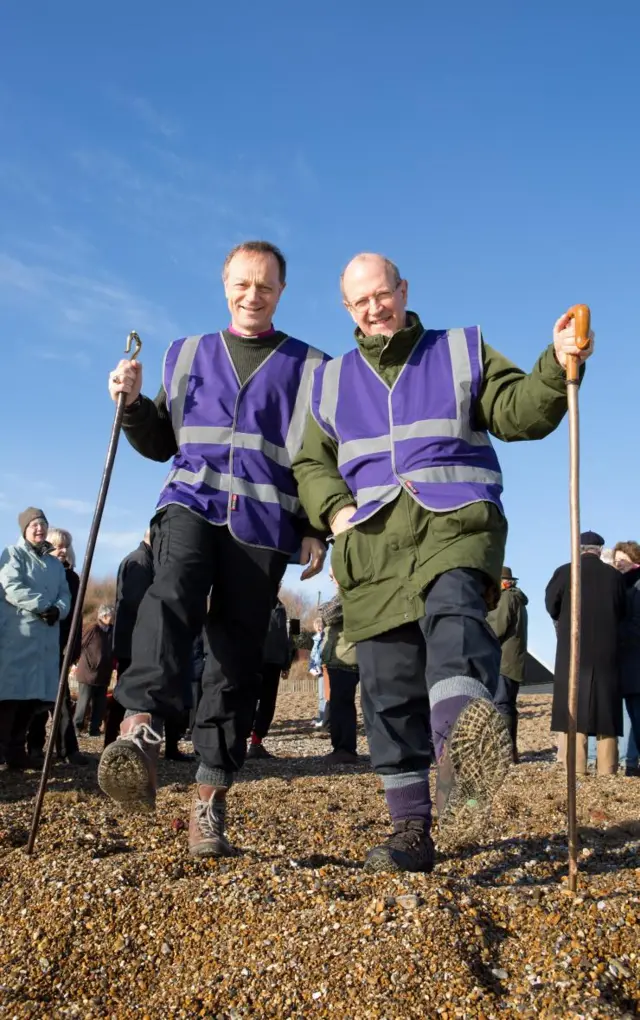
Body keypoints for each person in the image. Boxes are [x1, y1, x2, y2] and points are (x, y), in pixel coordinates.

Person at [293, 251, 594, 874]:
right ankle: (411, 831)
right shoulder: (327, 381)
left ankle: (465, 751)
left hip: (452, 522)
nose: (376, 308)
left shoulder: (460, 349)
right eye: (361, 301)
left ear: (403, 289)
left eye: (384, 293)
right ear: (347, 309)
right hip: (370, 547)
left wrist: (555, 360)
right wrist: (333, 510)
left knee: (455, 616)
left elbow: (518, 411)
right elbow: (309, 462)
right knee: (387, 685)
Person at [98, 240, 328, 858]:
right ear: (225, 284)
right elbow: (160, 440)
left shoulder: (312, 366)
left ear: (282, 292)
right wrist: (132, 405)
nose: (253, 295)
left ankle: (209, 802)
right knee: (169, 594)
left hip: (263, 522)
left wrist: (315, 526)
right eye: (242, 283)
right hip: (190, 502)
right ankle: (140, 725)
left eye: (266, 286)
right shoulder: (186, 353)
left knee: (234, 652)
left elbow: (317, 457)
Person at [546, 531, 626, 775]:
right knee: (607, 711)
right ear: (600, 550)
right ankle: (607, 770)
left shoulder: (565, 571)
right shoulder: (614, 576)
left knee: (574, 707)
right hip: (607, 651)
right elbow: (623, 609)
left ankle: (576, 768)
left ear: (578, 549)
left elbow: (551, 604)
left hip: (573, 650)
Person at [0, 508, 71, 768]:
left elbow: (65, 593)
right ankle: (2, 749)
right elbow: (12, 586)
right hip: (18, 635)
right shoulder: (13, 554)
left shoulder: (54, 563)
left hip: (45, 639)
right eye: (34, 525)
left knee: (32, 700)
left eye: (43, 524)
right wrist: (43, 606)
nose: (39, 529)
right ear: (24, 529)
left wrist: (58, 610)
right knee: (10, 698)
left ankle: (17, 752)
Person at [27, 527, 87, 765]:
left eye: (65, 545)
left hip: (63, 645)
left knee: (60, 699)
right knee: (38, 699)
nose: (62, 550)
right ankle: (35, 747)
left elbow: (77, 616)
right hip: (41, 644)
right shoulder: (40, 574)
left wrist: (74, 648)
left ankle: (67, 749)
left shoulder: (72, 578)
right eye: (57, 545)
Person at [105, 533, 154, 747]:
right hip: (133, 641)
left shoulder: (141, 559)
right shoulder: (140, 562)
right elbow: (137, 602)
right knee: (127, 693)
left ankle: (120, 740)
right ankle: (115, 741)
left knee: (126, 692)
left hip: (132, 639)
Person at [486, 566, 528, 761]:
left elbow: (497, 628)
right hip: (510, 661)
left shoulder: (506, 598)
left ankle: (504, 753)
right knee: (506, 704)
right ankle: (509, 752)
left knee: (502, 704)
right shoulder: (516, 598)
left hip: (503, 661)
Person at [319, 573, 360, 764]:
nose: (331, 579)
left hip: (346, 657)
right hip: (342, 657)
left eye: (332, 574)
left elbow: (327, 614)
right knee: (339, 704)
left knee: (341, 705)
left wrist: (323, 609)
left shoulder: (349, 592)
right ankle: (343, 748)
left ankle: (345, 749)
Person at [247, 594, 293, 760]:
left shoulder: (279, 606)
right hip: (259, 659)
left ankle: (255, 742)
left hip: (268, 660)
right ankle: (247, 741)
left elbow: (285, 637)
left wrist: (286, 663)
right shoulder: (263, 602)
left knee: (263, 702)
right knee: (254, 701)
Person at [613, 540, 640, 774]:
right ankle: (629, 761)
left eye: (623, 560)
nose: (618, 564)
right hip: (626, 661)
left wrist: (616, 630)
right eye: (616, 561)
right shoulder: (621, 586)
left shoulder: (636, 585)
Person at [75, 605, 114, 736]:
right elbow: (80, 645)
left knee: (100, 704)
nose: (111, 618)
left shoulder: (111, 631)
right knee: (83, 703)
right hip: (88, 672)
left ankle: (95, 729)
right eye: (109, 615)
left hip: (103, 674)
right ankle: (77, 727)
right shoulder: (92, 628)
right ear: (102, 616)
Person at [308, 616, 327, 728]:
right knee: (321, 696)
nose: (318, 628)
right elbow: (314, 654)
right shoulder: (316, 639)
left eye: (320, 626)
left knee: (324, 695)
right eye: (317, 626)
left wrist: (318, 666)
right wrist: (312, 666)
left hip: (323, 669)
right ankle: (321, 718)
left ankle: (324, 719)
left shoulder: (323, 639)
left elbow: (321, 654)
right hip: (318, 669)